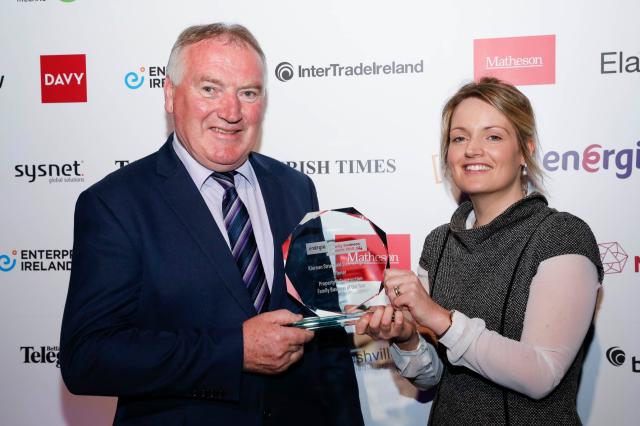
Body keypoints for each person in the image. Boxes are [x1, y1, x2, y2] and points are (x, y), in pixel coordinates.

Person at [60, 23, 363, 426]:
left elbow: (326, 338)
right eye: (210, 88)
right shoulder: (115, 204)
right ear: (170, 95)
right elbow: (87, 357)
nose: (231, 112)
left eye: (248, 93)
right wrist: (234, 351)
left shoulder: (295, 188)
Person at [355, 77, 603, 425]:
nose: (472, 149)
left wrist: (438, 318)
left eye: (493, 136)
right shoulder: (439, 242)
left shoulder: (561, 235)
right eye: (459, 138)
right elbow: (431, 377)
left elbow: (541, 374)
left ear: (525, 150)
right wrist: (407, 338)